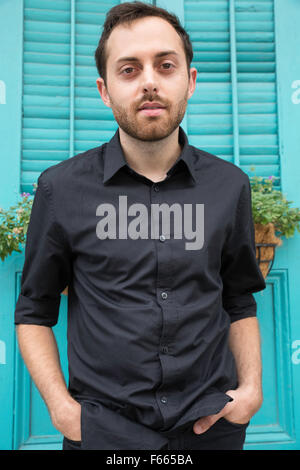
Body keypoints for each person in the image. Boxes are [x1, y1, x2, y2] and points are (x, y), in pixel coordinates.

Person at [14, 1, 266, 451]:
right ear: (105, 90)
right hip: (101, 432)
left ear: (189, 81)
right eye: (128, 70)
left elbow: (238, 296)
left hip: (211, 424)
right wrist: (62, 410)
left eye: (165, 65)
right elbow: (34, 310)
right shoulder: (60, 189)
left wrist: (250, 391)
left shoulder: (230, 186)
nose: (149, 81)